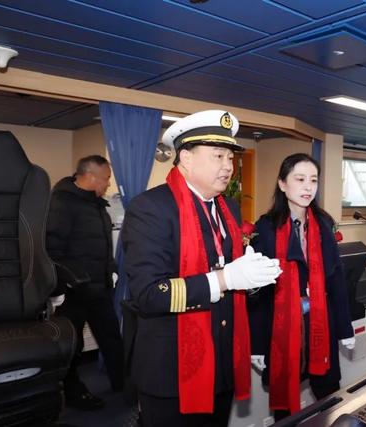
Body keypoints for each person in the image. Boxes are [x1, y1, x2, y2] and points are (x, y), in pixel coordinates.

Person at [122, 110, 282, 427]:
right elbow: (148, 294)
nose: (228, 166)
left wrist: (250, 279)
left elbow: (228, 276)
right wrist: (225, 278)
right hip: (171, 371)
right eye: (218, 156)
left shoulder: (228, 208)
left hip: (220, 365)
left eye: (230, 157)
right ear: (186, 157)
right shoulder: (151, 208)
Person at [248, 153, 355, 420]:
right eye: (300, 179)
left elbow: (336, 280)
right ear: (282, 184)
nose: (308, 187)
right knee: (285, 406)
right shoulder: (266, 228)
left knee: (330, 396)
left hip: (320, 323)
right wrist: (257, 344)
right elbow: (259, 293)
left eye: (313, 180)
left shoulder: (324, 224)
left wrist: (345, 328)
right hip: (282, 326)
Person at [46, 155, 124, 410]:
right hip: (75, 291)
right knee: (73, 346)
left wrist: (111, 270)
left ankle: (124, 385)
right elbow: (52, 248)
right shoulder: (62, 203)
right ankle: (73, 394)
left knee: (112, 338)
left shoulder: (97, 205)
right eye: (106, 179)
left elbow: (102, 246)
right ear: (90, 177)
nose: (109, 184)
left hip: (99, 288)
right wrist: (62, 285)